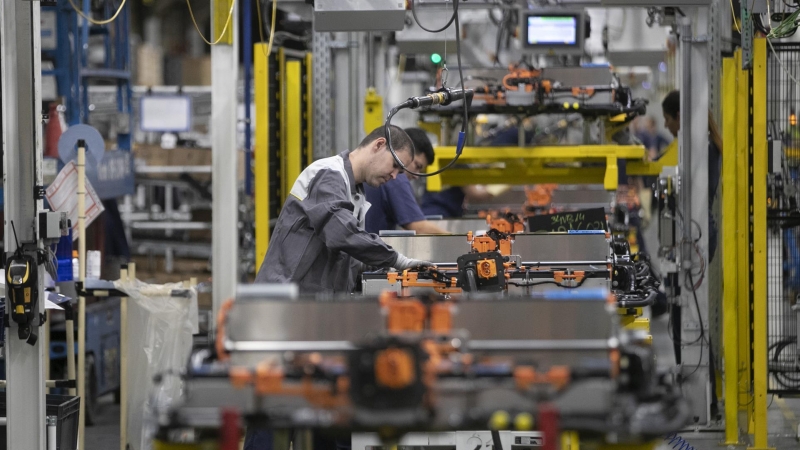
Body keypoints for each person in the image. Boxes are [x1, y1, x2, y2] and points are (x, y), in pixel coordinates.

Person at [254, 125, 432, 293]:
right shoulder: (328, 174)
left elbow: (346, 256)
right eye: (395, 165)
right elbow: (342, 233)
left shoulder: (356, 194)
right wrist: (397, 260)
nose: (394, 176)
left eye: (400, 172)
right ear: (379, 145)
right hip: (283, 301)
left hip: (310, 306)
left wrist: (381, 266)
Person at [661, 90, 722, 262]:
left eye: (667, 119)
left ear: (679, 116)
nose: (665, 125)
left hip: (699, 235)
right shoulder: (700, 145)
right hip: (695, 232)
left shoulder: (703, 148)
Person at [364, 128, 448, 234]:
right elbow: (418, 226)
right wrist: (457, 239)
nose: (417, 176)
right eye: (417, 166)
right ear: (407, 152)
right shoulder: (397, 178)